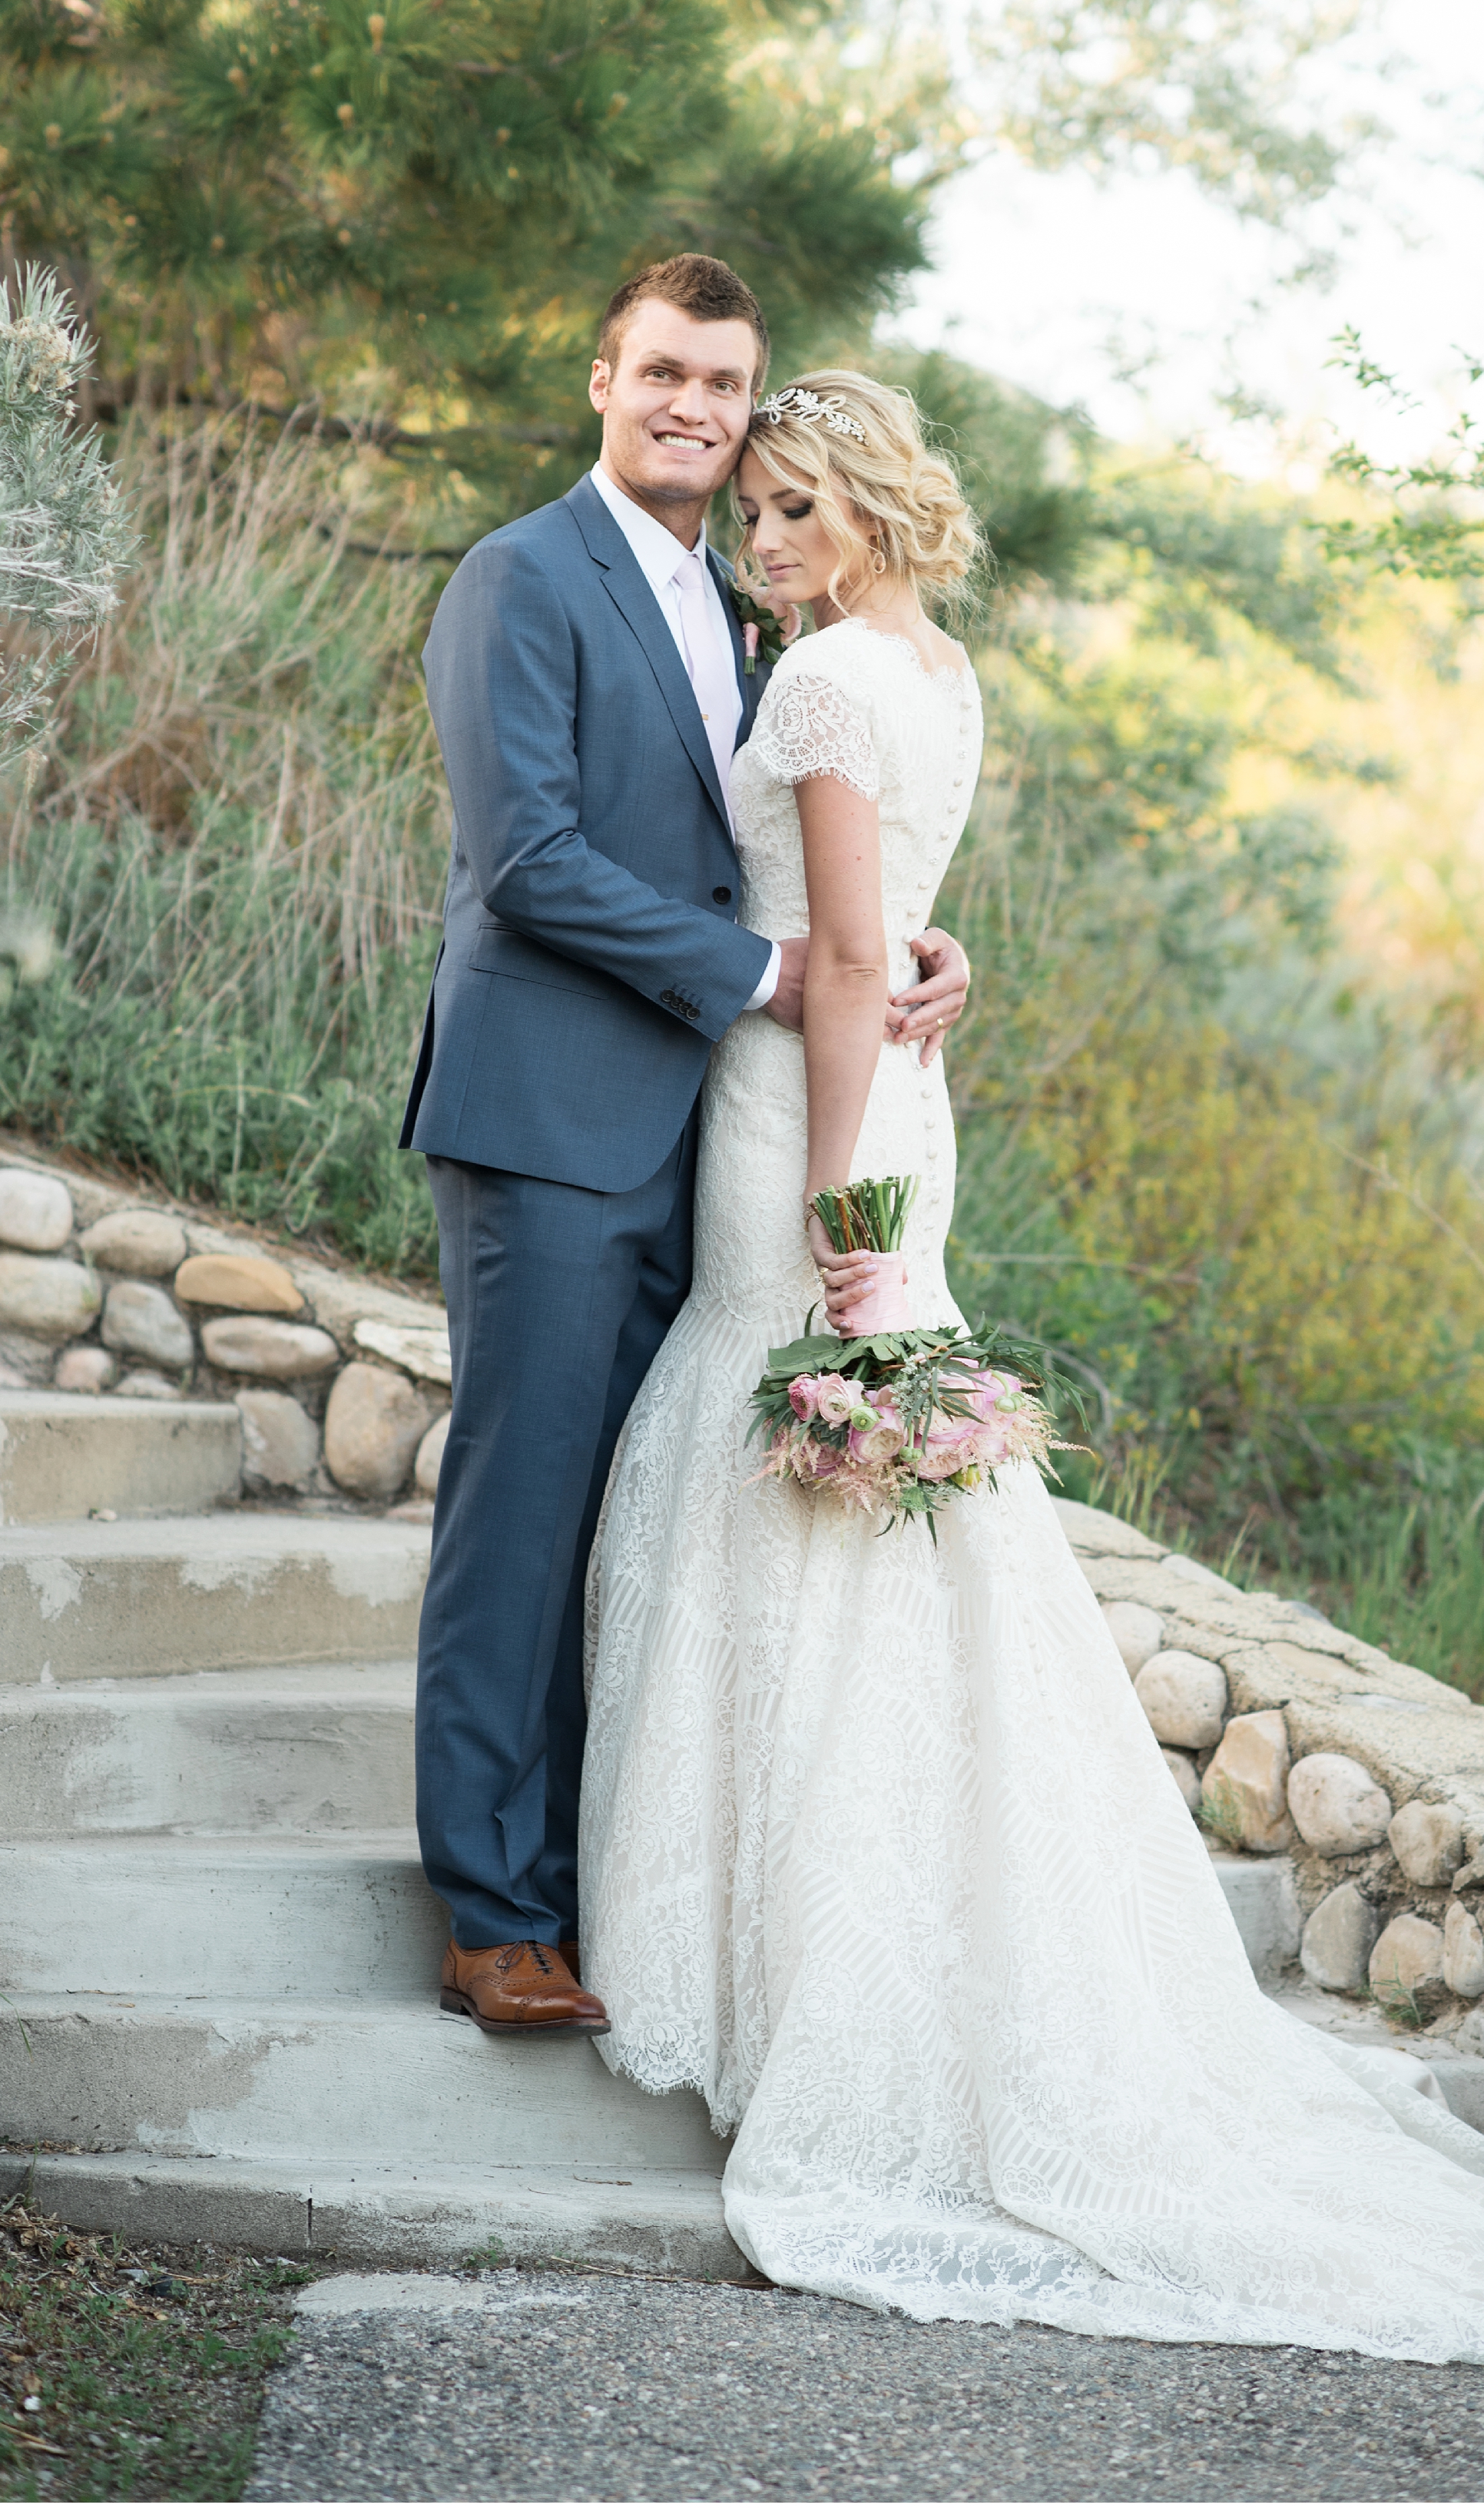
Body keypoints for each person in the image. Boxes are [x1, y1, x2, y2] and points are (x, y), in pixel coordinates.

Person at [576, 369, 1484, 2371]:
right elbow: (904, 933)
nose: (769, 544)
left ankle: (816, 1986)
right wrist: (901, 1071)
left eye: (803, 508)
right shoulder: (942, 673)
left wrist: (837, 1218)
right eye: (760, 514)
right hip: (904, 1097)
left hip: (814, 1122)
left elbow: (833, 959)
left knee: (797, 1464)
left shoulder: (819, 687)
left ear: (875, 505)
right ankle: (812, 1945)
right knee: (878, 1513)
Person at [401, 259, 972, 2035]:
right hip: (556, 1120)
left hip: (708, 1128)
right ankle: (493, 1911)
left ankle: (592, 1871)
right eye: (664, 373)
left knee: (638, 1523)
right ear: (603, 379)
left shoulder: (753, 618)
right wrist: (772, 970)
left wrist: (913, 953)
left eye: (723, 386)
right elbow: (532, 859)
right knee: (526, 1505)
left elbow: (797, 849)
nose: (693, 408)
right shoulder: (521, 576)